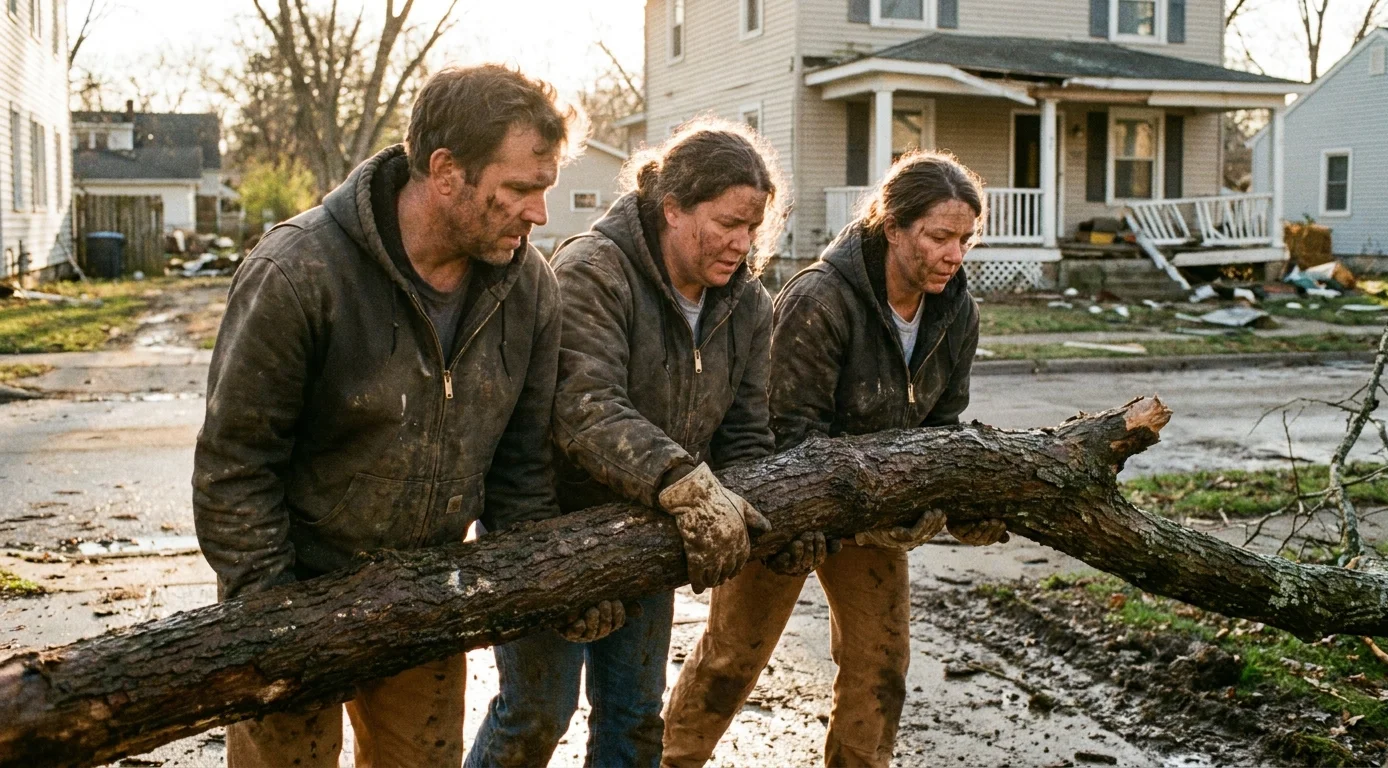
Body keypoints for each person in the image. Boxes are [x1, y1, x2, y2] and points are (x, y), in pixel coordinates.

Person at [192, 64, 613, 768]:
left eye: (546, 189)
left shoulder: (529, 287)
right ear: (445, 171)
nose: (540, 214)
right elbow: (235, 467)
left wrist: (555, 584)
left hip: (426, 601)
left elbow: (520, 475)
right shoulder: (299, 272)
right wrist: (272, 619)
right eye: (519, 189)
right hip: (293, 596)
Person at [467, 118, 818, 768]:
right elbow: (584, 407)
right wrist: (685, 483)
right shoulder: (593, 272)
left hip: (651, 532)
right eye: (726, 223)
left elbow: (744, 435)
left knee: (633, 720)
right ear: (672, 207)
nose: (742, 243)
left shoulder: (746, 307)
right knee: (536, 715)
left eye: (752, 226)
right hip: (549, 526)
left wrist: (778, 518)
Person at [662, 150, 1009, 768]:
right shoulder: (821, 298)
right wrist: (805, 519)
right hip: (784, 501)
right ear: (893, 226)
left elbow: (943, 426)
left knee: (882, 664)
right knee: (733, 655)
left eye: (965, 239)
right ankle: (676, 760)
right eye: (939, 237)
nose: (955, 255)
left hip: (876, 512)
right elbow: (783, 433)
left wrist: (962, 501)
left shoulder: (957, 311)